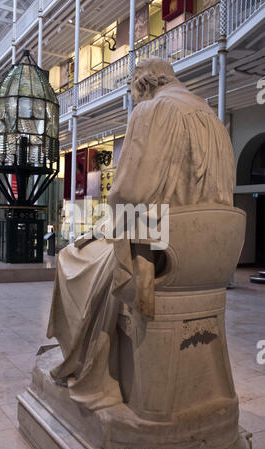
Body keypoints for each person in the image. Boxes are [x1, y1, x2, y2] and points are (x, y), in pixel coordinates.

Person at [46, 58, 235, 411]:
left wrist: (102, 227)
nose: (133, 99)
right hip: (209, 260)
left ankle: (81, 358)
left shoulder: (152, 110)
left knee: (72, 257)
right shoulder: (214, 119)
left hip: (158, 251)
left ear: (143, 84)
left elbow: (128, 194)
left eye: (131, 90)